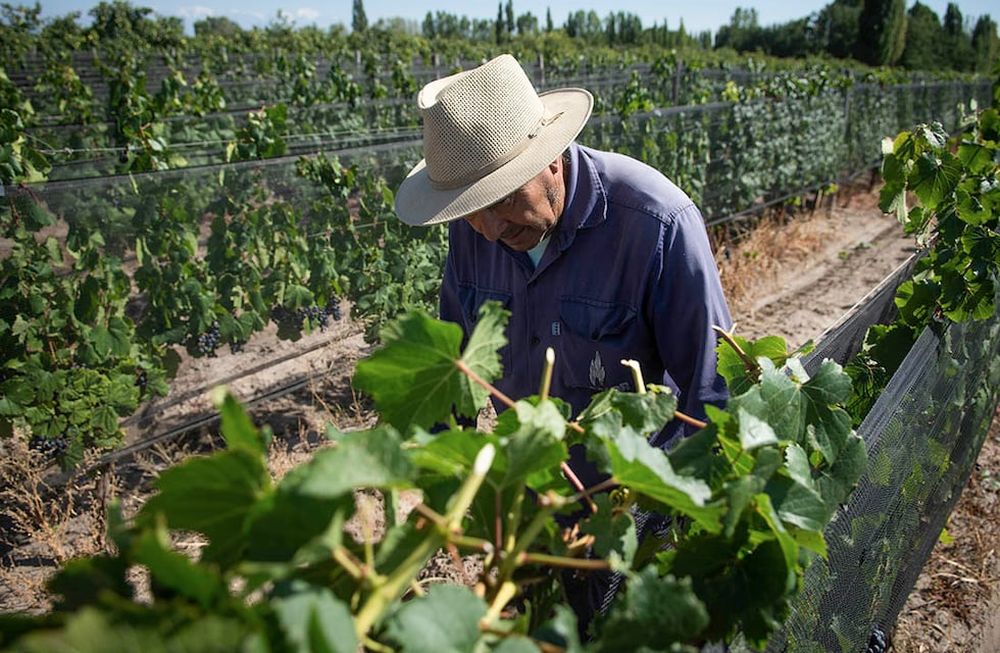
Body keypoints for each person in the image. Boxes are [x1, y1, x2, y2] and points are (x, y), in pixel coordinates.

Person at [393, 53, 732, 629]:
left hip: (632, 523)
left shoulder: (656, 224)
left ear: (551, 159)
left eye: (502, 197)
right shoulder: (475, 232)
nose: (492, 229)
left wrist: (632, 510)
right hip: (524, 518)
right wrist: (439, 497)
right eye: (472, 210)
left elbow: (709, 400)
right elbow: (453, 378)